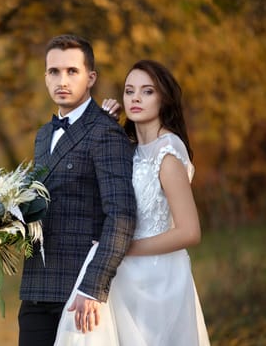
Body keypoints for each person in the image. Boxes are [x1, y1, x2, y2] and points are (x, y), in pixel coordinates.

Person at [56, 59, 211, 345]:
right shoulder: (128, 147)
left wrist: (122, 247)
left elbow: (190, 231)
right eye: (129, 91)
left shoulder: (168, 151)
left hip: (157, 279)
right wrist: (102, 123)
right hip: (121, 274)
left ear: (164, 99)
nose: (136, 98)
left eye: (147, 91)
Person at [18, 34, 137, 346]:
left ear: (91, 77)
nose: (62, 80)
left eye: (72, 71)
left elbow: (121, 215)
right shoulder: (43, 135)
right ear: (45, 77)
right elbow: (40, 205)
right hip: (36, 287)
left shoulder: (106, 132)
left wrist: (93, 286)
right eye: (54, 72)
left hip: (79, 292)